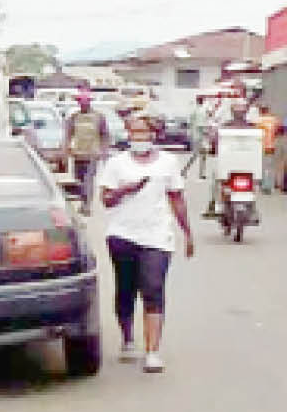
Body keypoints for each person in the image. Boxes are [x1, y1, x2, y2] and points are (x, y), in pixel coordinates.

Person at [97, 115, 194, 373]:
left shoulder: (168, 163)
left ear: (154, 135)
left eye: (144, 132)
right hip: (122, 236)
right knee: (126, 291)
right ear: (127, 135)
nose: (139, 138)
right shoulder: (116, 164)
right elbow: (105, 200)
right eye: (134, 132)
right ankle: (128, 336)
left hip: (157, 237)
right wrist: (124, 190)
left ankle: (152, 351)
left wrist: (187, 233)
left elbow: (177, 198)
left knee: (153, 288)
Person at [202, 100, 256, 218]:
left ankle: (215, 205)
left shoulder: (226, 127)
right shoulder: (252, 128)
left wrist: (212, 148)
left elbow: (214, 143)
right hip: (245, 164)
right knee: (217, 180)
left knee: (216, 180)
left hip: (232, 165)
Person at [63, 93, 111, 217]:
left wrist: (104, 152)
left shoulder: (99, 117)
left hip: (92, 154)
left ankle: (87, 206)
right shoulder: (74, 117)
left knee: (88, 180)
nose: (83, 104)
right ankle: (83, 201)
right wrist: (65, 150)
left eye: (85, 102)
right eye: (80, 102)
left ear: (89, 102)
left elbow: (105, 135)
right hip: (78, 154)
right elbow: (68, 135)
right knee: (78, 180)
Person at [254, 103, 279, 194]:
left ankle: (262, 184)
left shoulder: (258, 120)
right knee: (269, 167)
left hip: (260, 146)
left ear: (261, 111)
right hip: (270, 146)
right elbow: (277, 131)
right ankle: (269, 186)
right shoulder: (273, 120)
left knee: (261, 166)